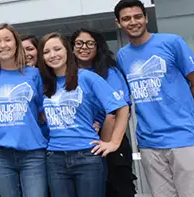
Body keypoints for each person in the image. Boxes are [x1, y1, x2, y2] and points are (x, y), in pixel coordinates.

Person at [113, 0, 194, 197]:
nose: (133, 22)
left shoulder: (171, 42)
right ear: (118, 23)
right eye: (126, 19)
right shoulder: (123, 56)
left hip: (183, 138)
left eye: (138, 16)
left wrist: (182, 112)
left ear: (146, 18)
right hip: (149, 142)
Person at [38, 33, 130, 197]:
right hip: (55, 158)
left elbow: (121, 108)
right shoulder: (45, 84)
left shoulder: (87, 77)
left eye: (57, 49)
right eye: (46, 52)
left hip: (87, 156)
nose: (53, 55)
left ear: (67, 51)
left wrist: (114, 142)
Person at [0, 24, 47, 197]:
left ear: (16, 44)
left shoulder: (34, 74)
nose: (3, 45)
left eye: (7, 40)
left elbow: (44, 112)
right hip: (0, 154)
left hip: (33, 153)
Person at [72, 28, 136, 197]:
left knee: (118, 189)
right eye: (79, 43)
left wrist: (104, 143)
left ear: (97, 47)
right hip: (81, 144)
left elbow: (116, 112)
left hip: (110, 142)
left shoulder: (110, 72)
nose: (84, 47)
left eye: (90, 43)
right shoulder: (66, 76)